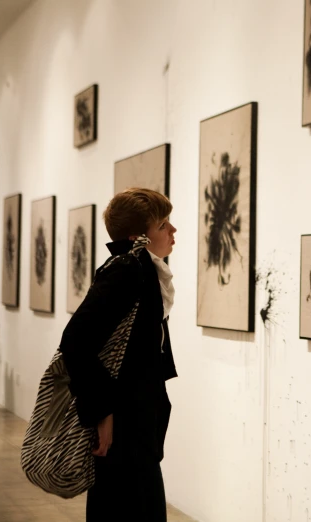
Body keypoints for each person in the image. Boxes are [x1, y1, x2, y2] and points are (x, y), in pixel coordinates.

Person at [59, 188, 178, 521]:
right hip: (123, 421)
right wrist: (103, 413)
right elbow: (76, 341)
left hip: (135, 418)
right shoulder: (127, 270)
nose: (172, 231)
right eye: (163, 224)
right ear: (137, 236)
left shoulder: (143, 271)